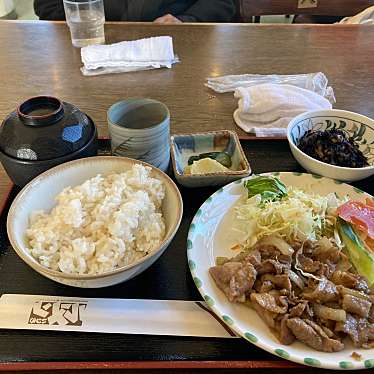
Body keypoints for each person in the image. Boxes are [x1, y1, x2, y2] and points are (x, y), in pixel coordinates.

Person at [34, 0, 236, 23]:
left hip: (176, 47)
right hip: (88, 51)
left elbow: (222, 3)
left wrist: (185, 20)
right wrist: (86, 15)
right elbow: (47, 6)